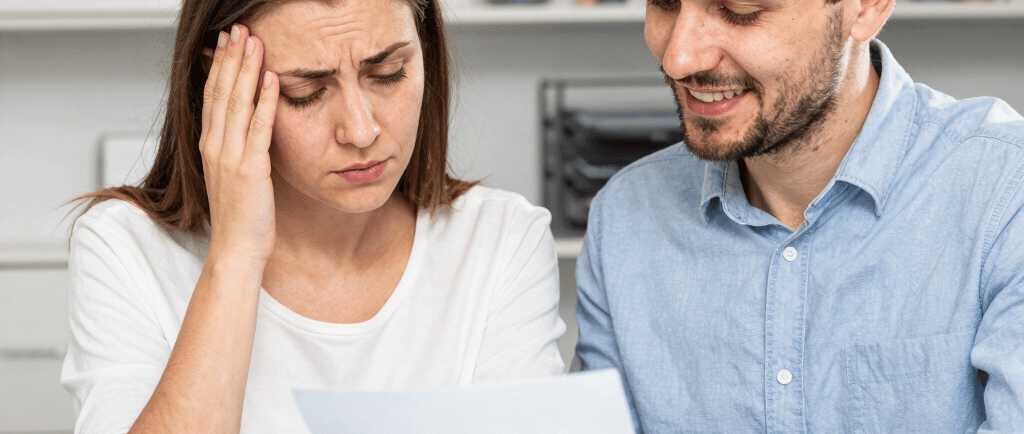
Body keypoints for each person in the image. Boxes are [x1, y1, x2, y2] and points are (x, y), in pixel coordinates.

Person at [61, 0, 566, 432]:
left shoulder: (502, 241)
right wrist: (236, 254)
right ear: (222, 83)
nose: (361, 130)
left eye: (388, 72)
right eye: (307, 91)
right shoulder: (123, 248)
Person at [574, 0, 1024, 430]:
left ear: (864, 8)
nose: (679, 58)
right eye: (664, 3)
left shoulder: (1004, 190)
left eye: (740, 11)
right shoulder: (624, 215)